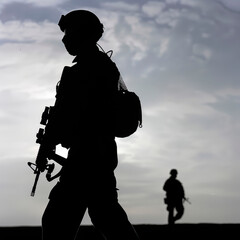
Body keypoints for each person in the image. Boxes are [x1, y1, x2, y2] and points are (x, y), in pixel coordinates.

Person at [36, 10, 139, 240]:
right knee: (106, 215)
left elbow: (68, 113)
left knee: (57, 221)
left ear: (82, 33)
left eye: (69, 32)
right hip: (96, 155)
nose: (64, 39)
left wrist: (49, 144)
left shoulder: (86, 70)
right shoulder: (101, 66)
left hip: (88, 157)